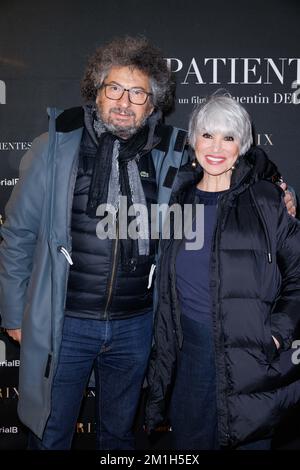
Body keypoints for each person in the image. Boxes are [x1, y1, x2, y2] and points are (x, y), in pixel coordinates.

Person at [0, 36, 296, 451]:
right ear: (96, 93)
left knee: (119, 437)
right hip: (66, 322)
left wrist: (278, 184)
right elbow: (18, 235)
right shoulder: (55, 148)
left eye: (137, 93)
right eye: (114, 89)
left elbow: (229, 153)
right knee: (51, 434)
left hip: (136, 326)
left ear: (152, 104)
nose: (124, 101)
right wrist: (14, 313)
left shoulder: (168, 151)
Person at [145, 94, 300, 450]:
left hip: (250, 356)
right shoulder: (178, 199)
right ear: (193, 140)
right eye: (207, 135)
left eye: (228, 137)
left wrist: (276, 333)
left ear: (242, 145)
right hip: (190, 357)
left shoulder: (266, 199)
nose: (216, 147)